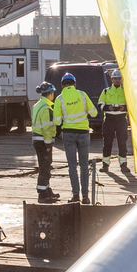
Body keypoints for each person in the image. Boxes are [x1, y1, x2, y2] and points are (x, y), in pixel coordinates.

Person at [52, 72, 98, 203]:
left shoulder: (59, 99)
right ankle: (85, 196)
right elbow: (94, 113)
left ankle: (75, 195)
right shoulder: (82, 95)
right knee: (84, 165)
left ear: (62, 85)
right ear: (74, 83)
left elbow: (56, 121)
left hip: (69, 134)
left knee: (72, 165)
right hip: (83, 133)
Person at [97, 66, 129, 173]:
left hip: (121, 119)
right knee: (107, 142)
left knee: (122, 143)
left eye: (118, 78)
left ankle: (123, 164)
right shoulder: (106, 91)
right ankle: (105, 164)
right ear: (111, 80)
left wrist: (124, 108)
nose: (117, 80)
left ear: (121, 79)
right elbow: (100, 104)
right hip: (109, 119)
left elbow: (131, 105)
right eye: (115, 78)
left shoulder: (125, 91)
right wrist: (107, 108)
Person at [30, 80, 58, 201]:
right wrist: (48, 143)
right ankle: (42, 193)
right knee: (45, 167)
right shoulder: (47, 108)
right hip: (43, 140)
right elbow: (47, 127)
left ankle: (46, 189)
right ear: (50, 93)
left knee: (45, 165)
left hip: (37, 139)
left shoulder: (37, 105)